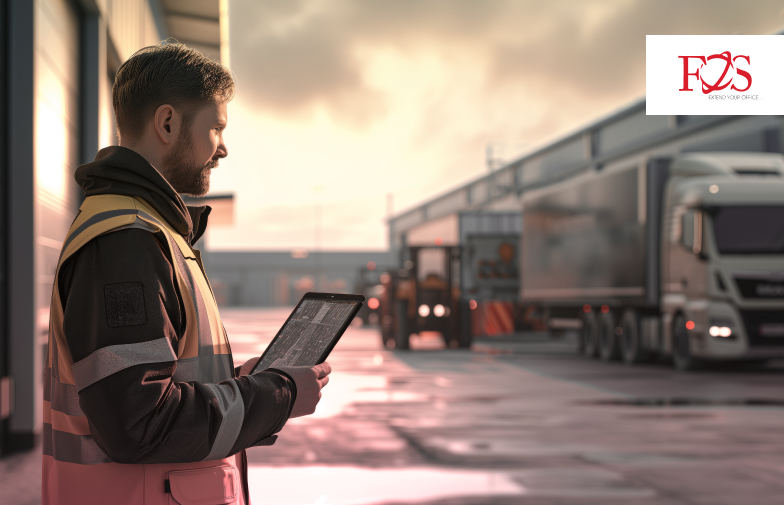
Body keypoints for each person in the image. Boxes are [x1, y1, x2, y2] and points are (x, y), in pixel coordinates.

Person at [42, 42, 330, 505]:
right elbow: (140, 423)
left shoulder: (149, 231)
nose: (223, 147)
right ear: (168, 123)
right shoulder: (127, 243)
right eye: (216, 127)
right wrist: (276, 396)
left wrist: (242, 382)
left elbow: (144, 385)